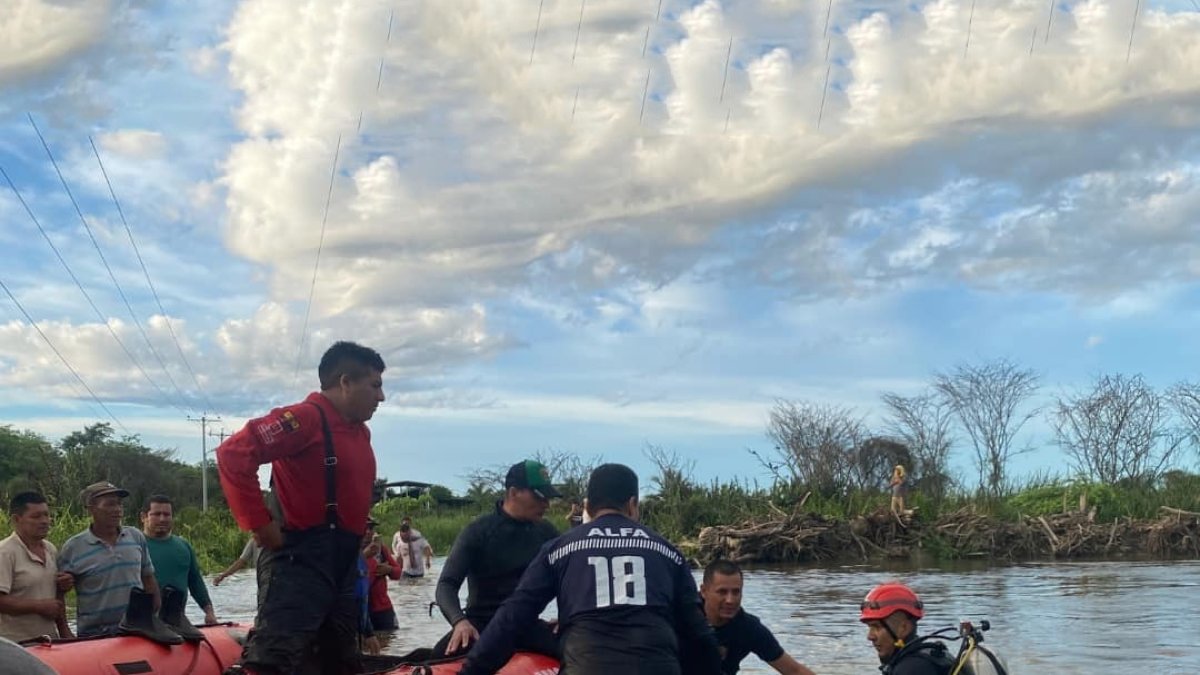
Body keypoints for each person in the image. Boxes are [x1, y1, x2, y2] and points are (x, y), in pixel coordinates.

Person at [217, 340, 386, 675]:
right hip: (299, 561)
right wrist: (259, 522)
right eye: (375, 385)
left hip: (342, 563)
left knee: (339, 660)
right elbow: (234, 454)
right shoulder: (304, 418)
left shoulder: (360, 432)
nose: (381, 397)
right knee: (272, 660)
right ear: (345, 383)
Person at [458, 463, 723, 675]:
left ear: (587, 507)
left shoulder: (559, 549)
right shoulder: (667, 552)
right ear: (632, 505)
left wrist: (470, 672)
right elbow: (699, 635)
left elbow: (511, 619)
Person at [433, 459, 562, 657]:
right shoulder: (479, 531)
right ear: (513, 493)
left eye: (548, 498)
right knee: (435, 660)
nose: (546, 504)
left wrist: (567, 616)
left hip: (526, 625)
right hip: (481, 626)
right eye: (540, 497)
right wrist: (459, 621)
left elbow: (571, 579)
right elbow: (446, 585)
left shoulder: (547, 533)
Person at [58, 481, 160, 637]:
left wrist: (153, 617)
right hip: (95, 636)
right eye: (110, 504)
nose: (117, 510)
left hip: (136, 631)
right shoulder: (73, 547)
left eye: (119, 504)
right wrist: (65, 631)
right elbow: (59, 593)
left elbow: (148, 578)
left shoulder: (135, 536)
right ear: (91, 508)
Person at [696, 560, 815, 675]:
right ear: (704, 591)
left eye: (736, 592)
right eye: (722, 592)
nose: (730, 600)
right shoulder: (682, 616)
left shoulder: (748, 628)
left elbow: (794, 671)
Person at [0, 492, 72, 641]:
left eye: (46, 515)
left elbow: (56, 598)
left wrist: (65, 632)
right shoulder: (5, 552)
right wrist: (39, 607)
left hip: (49, 641)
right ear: (16, 519)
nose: (45, 521)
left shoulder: (50, 549)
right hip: (17, 645)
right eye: (36, 516)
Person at [141, 495, 218, 625]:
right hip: (144, 620)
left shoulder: (183, 546)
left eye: (167, 515)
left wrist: (209, 612)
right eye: (156, 514)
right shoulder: (134, 546)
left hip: (177, 618)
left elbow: (195, 582)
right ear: (143, 517)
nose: (162, 519)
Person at [860, 582, 955, 675]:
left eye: (877, 627)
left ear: (903, 628)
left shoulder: (912, 669)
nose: (870, 636)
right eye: (870, 627)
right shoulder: (928, 657)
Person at [362, 519, 401, 631]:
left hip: (382, 607)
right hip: (361, 608)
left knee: (390, 640)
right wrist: (365, 556)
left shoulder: (381, 549)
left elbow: (398, 573)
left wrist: (389, 570)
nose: (368, 532)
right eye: (366, 528)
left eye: (371, 528)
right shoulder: (351, 549)